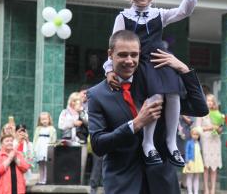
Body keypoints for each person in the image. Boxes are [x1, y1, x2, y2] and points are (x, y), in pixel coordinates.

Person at [88, 30, 208, 194]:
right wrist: (136, 124)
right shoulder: (97, 94)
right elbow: (98, 145)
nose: (129, 61)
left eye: (134, 55)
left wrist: (184, 69)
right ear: (110, 54)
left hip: (163, 183)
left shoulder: (159, 85)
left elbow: (200, 108)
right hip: (123, 185)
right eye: (123, 55)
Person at [104, 0, 201, 166]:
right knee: (156, 95)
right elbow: (113, 46)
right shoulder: (123, 17)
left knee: (173, 93)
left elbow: (185, 11)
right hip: (137, 63)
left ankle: (171, 142)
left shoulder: (159, 14)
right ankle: (148, 143)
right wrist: (109, 70)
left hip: (158, 61)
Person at [196, 94, 222, 194]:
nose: (210, 102)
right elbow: (198, 129)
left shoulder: (218, 113)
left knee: (214, 166)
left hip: (215, 140)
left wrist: (219, 128)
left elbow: (220, 128)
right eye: (208, 100)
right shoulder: (201, 113)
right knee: (206, 166)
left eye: (212, 101)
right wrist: (209, 128)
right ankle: (206, 188)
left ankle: (213, 189)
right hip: (205, 140)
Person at [32, 112, 56, 185]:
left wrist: (52, 147)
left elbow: (53, 139)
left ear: (49, 119)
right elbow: (35, 139)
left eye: (46, 119)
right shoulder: (38, 129)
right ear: (40, 121)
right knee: (40, 164)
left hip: (47, 147)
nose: (44, 121)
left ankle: (46, 179)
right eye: (42, 119)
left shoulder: (52, 129)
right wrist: (34, 148)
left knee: (46, 164)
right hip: (40, 147)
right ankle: (41, 179)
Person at [182, 127, 204, 194]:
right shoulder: (189, 143)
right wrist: (187, 161)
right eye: (194, 134)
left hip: (198, 162)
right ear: (191, 134)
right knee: (189, 177)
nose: (195, 136)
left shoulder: (199, 143)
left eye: (197, 134)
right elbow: (186, 152)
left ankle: (196, 192)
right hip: (191, 161)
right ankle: (190, 192)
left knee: (197, 177)